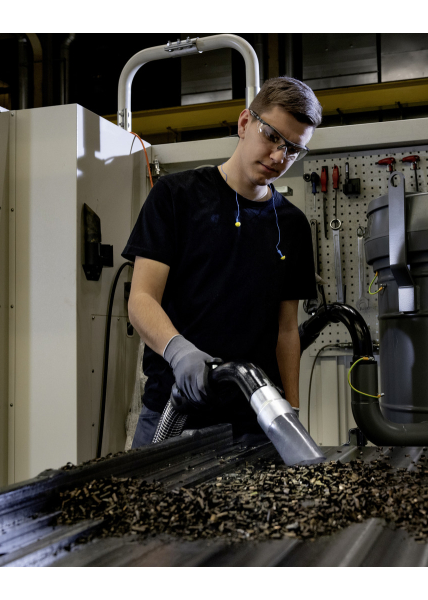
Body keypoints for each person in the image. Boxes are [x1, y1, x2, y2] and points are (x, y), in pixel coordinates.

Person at [123, 77, 321, 448]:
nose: (279, 157)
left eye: (293, 149)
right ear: (245, 123)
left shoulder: (292, 224)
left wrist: (291, 408)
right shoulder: (176, 196)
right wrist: (180, 353)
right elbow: (142, 300)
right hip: (172, 413)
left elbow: (286, 330)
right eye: (272, 136)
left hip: (254, 422)